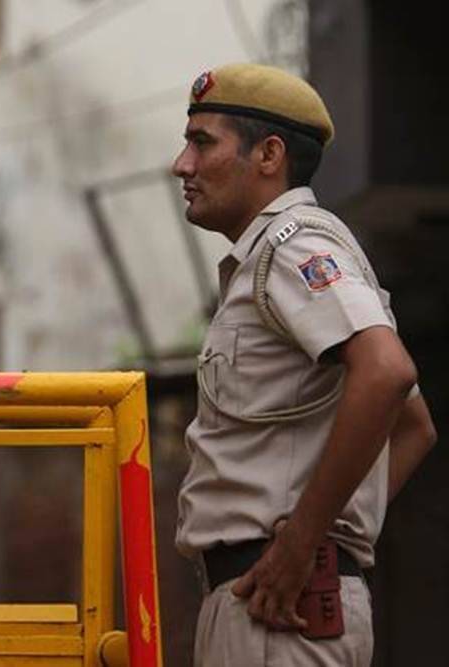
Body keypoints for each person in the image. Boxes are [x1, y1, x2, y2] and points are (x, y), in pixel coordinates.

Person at [172, 63, 436, 666]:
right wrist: (326, 533)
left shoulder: (294, 246)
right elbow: (413, 425)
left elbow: (387, 373)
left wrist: (305, 540)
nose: (182, 164)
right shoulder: (271, 255)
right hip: (271, 596)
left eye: (202, 142)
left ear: (268, 155)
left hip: (279, 609)